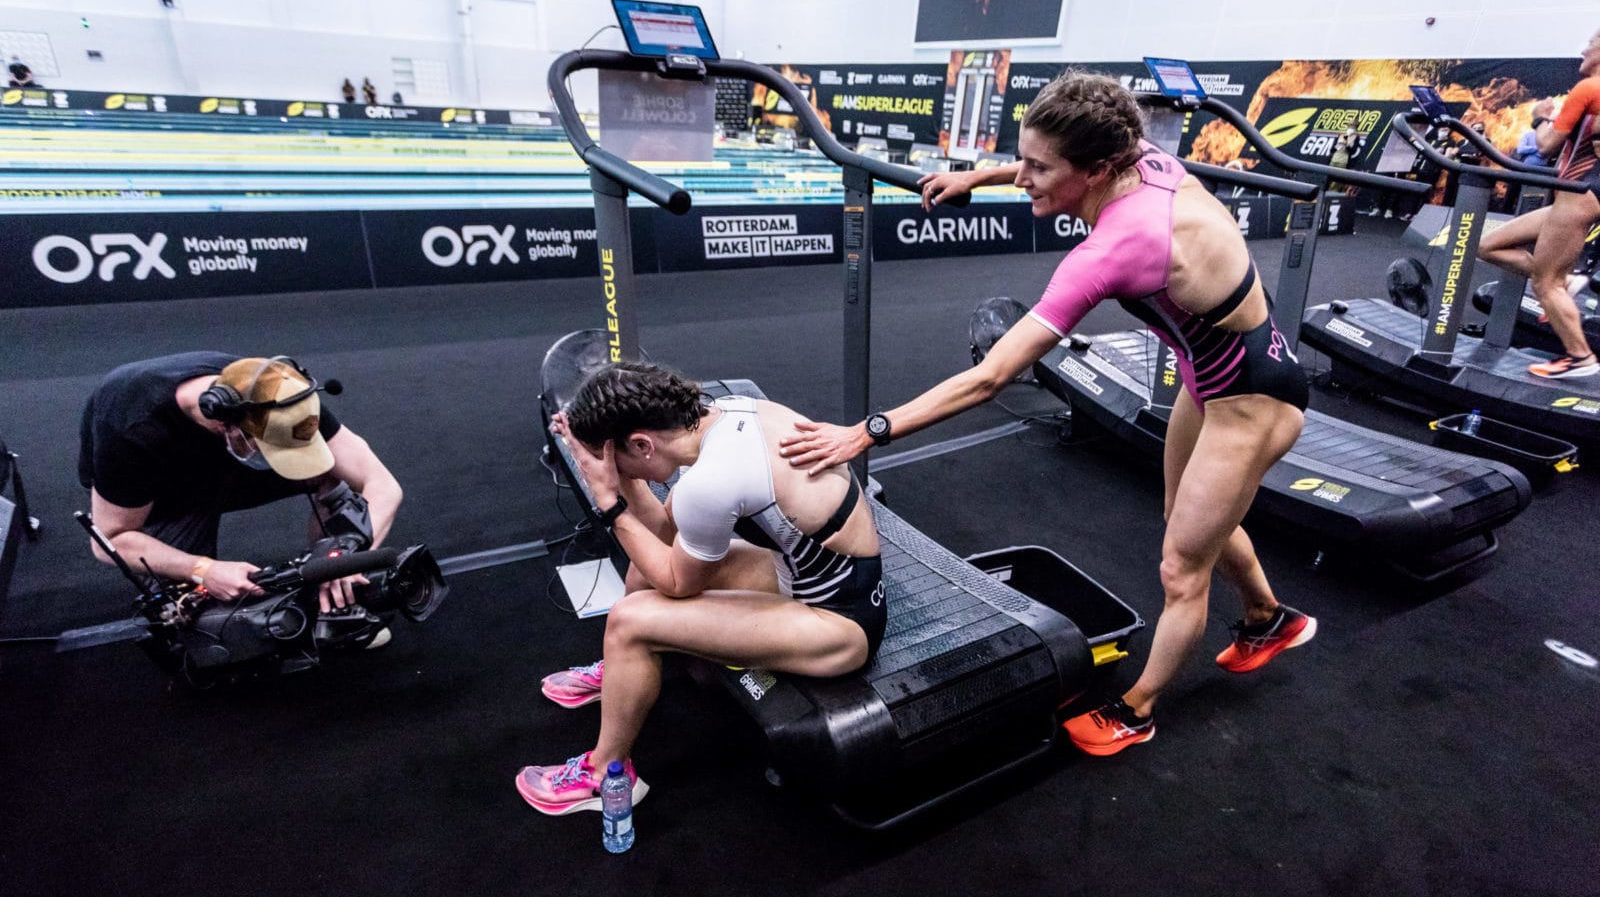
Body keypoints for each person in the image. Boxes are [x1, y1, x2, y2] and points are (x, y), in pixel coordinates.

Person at [778, 70, 1316, 758]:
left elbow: (993, 376)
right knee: (1188, 517)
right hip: (1208, 373)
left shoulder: (1118, 246)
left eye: (1037, 169)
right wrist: (980, 177)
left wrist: (867, 430)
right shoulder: (1139, 158)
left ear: (1094, 171)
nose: (1025, 177)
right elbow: (1052, 162)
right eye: (1021, 161)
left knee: (1182, 568)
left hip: (1256, 400)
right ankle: (1268, 617)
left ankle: (1137, 709)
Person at [518, 363, 885, 814]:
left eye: (618, 460)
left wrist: (609, 502)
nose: (616, 471)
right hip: (815, 576)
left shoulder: (712, 482)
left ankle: (603, 776)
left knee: (629, 621)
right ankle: (623, 669)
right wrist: (619, 468)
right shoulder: (728, 415)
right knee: (640, 573)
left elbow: (675, 582)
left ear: (642, 443)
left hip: (841, 624)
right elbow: (665, 536)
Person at [78, 353, 403, 644]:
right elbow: (110, 538)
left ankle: (331, 596)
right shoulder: (131, 429)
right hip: (164, 490)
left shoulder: (278, 392)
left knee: (335, 472)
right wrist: (204, 569)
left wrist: (341, 559)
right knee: (202, 628)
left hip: (231, 466)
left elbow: (383, 484)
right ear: (226, 425)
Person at [1479, 28, 1600, 378]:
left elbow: (1546, 145)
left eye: (1589, 46)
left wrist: (1541, 116)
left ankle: (1580, 359)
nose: (1582, 50)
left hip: (1577, 195)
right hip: (1578, 195)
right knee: (1490, 246)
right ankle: (1568, 283)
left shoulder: (1588, 88)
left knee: (1545, 284)